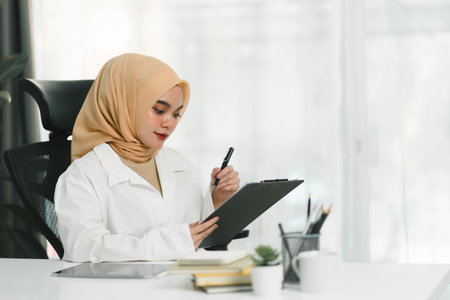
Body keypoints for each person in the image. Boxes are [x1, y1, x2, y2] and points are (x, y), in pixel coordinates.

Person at [54, 53, 240, 262]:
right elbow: (83, 248)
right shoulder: (83, 175)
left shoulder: (179, 163)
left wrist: (217, 199)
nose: (169, 123)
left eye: (176, 114)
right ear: (123, 105)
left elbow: (193, 233)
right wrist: (165, 244)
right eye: (159, 110)